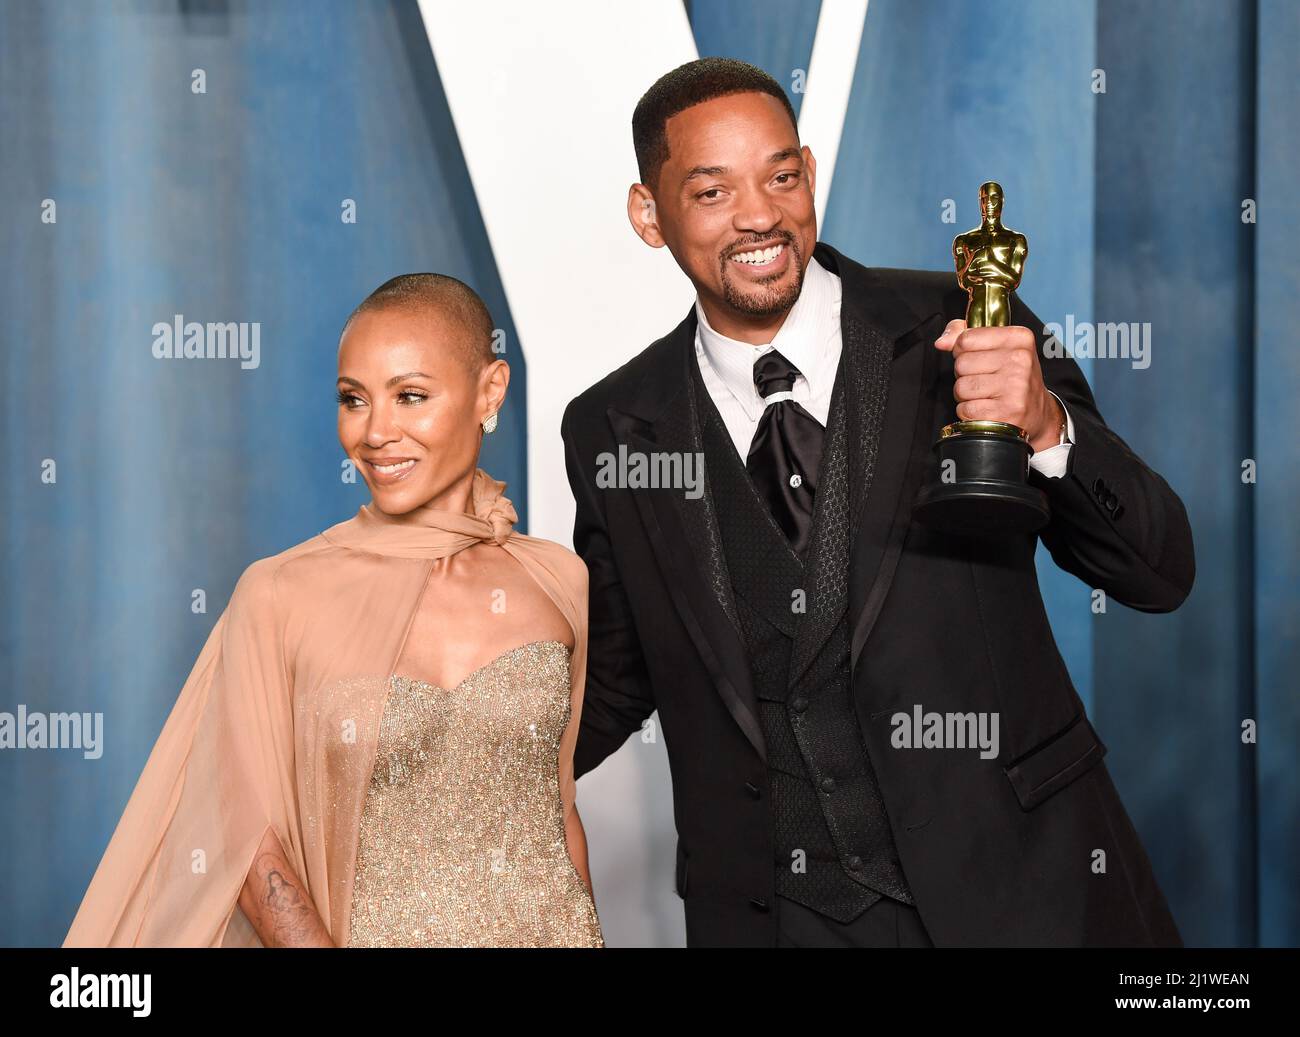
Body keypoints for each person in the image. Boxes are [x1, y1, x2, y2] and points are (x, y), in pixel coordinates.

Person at [561, 58, 1193, 947]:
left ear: (810, 174)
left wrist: (1048, 426)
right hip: (781, 921)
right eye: (712, 191)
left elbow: (1160, 571)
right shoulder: (612, 426)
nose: (760, 216)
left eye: (782, 176)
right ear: (648, 214)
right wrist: (441, 772)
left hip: (1028, 892)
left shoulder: (962, 326)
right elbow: (617, 679)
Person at [64, 274, 603, 948]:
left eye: (410, 396)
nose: (376, 432)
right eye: (354, 399)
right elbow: (248, 840)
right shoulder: (279, 592)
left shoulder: (556, 577)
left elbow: (560, 809)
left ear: (489, 391)